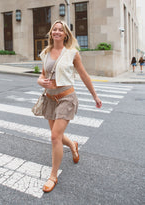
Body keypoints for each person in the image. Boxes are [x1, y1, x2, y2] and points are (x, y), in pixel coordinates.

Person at [37, 20, 102, 193]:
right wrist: (40, 81)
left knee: (54, 137)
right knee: (56, 135)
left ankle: (53, 176)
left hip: (66, 98)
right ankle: (73, 145)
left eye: (60, 30)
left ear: (65, 34)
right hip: (50, 99)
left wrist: (95, 95)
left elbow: (83, 75)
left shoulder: (72, 53)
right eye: (54, 29)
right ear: (51, 33)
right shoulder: (45, 52)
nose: (57, 32)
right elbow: (42, 75)